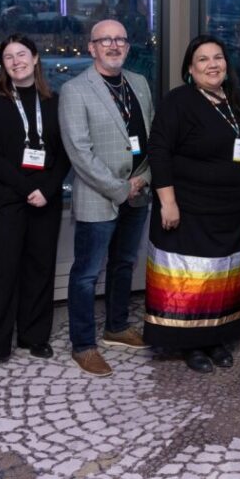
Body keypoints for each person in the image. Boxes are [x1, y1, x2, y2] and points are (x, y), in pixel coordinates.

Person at [144, 35, 240, 373]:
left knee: (220, 278)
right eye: (203, 59)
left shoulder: (235, 101)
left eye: (218, 57)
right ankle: (190, 344)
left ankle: (215, 338)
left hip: (231, 212)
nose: (212, 64)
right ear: (190, 69)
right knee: (189, 279)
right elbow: (159, 152)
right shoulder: (179, 101)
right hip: (189, 209)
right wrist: (168, 203)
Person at [59, 19, 154, 377]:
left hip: (139, 190)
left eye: (120, 40)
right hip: (99, 196)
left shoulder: (140, 83)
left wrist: (143, 177)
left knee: (124, 263)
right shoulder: (75, 89)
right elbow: (79, 153)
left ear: (128, 46)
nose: (114, 45)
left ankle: (116, 327)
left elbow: (150, 135)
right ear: (92, 47)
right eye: (105, 40)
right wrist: (119, 187)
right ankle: (83, 346)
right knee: (85, 274)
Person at [0, 34, 70, 366]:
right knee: (2, 271)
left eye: (21, 54)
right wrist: (25, 189)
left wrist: (49, 189)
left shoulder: (53, 101)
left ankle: (34, 336)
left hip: (45, 198)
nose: (15, 62)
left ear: (36, 58)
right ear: (3, 65)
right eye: (8, 57)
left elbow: (66, 154)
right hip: (6, 198)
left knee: (40, 268)